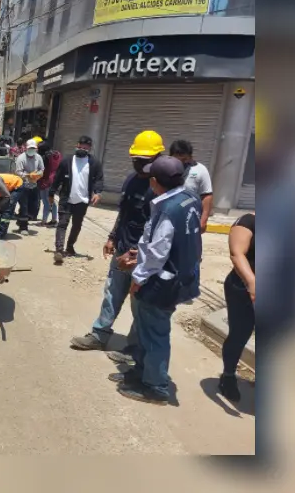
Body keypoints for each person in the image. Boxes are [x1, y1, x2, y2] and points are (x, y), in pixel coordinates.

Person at [111, 156, 202, 405]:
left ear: (154, 182)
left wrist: (137, 277)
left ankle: (156, 387)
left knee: (155, 334)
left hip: (162, 282)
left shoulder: (166, 208)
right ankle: (141, 373)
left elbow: (159, 250)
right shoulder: (189, 199)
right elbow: (166, 242)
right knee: (145, 329)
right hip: (178, 277)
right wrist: (137, 253)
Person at [70, 131, 166, 359]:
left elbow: (161, 228)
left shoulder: (161, 188)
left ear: (158, 158)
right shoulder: (131, 180)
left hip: (143, 255)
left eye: (144, 160)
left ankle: (135, 348)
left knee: (139, 302)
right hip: (123, 247)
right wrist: (112, 237)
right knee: (112, 293)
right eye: (136, 159)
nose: (138, 164)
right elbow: (123, 212)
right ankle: (99, 334)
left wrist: (140, 253)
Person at [50, 135, 104, 263]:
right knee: (62, 224)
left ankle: (69, 247)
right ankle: (59, 250)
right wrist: (51, 193)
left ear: (89, 148)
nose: (82, 149)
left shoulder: (94, 163)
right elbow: (57, 179)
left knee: (77, 226)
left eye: (85, 148)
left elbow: (99, 179)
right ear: (77, 145)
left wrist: (97, 193)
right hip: (66, 199)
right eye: (80, 146)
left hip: (82, 201)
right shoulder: (67, 161)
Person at [218, 212, 255, 402]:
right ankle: (229, 375)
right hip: (243, 289)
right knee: (240, 334)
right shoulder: (249, 221)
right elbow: (237, 253)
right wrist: (252, 282)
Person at [169, 140, 214, 232]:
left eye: (184, 159)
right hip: (168, 214)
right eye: (177, 159)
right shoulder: (166, 168)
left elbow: (207, 195)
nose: (181, 163)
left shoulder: (200, 170)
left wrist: (203, 220)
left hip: (190, 216)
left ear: (190, 157)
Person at [13, 139, 44, 233]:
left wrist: (37, 175)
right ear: (26, 148)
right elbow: (18, 172)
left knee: (34, 207)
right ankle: (23, 227)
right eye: (30, 148)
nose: (32, 150)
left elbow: (42, 169)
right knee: (24, 206)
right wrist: (28, 176)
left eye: (33, 148)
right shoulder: (21, 158)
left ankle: (21, 220)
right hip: (23, 185)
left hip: (34, 185)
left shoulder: (38, 157)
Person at [0, 173, 24, 239]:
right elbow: (1, 193)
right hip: (7, 189)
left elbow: (7, 196)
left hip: (16, 185)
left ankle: (0, 234)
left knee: (7, 210)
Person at [36, 142, 62, 227]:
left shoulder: (45, 156)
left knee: (46, 201)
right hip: (54, 180)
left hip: (45, 180)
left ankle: (43, 221)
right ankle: (54, 220)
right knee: (51, 200)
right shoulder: (57, 154)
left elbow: (41, 169)